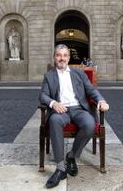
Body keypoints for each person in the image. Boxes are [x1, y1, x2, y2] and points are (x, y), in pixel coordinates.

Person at [39, 44, 109, 189]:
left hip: (79, 109)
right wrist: (53, 103)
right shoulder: (49, 75)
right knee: (54, 121)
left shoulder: (79, 74)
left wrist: (101, 101)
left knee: (90, 124)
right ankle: (60, 168)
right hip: (61, 110)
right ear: (54, 57)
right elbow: (43, 95)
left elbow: (91, 90)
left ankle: (72, 156)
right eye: (58, 55)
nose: (62, 58)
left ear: (69, 58)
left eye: (65, 55)